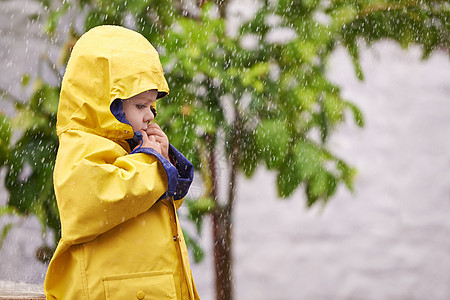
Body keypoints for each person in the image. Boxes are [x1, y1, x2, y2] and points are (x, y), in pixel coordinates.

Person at [44, 25, 200, 300]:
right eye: (140, 106)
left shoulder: (134, 148)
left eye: (152, 106)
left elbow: (153, 207)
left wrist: (165, 161)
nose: (150, 115)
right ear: (106, 104)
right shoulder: (81, 147)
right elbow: (97, 202)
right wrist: (154, 166)